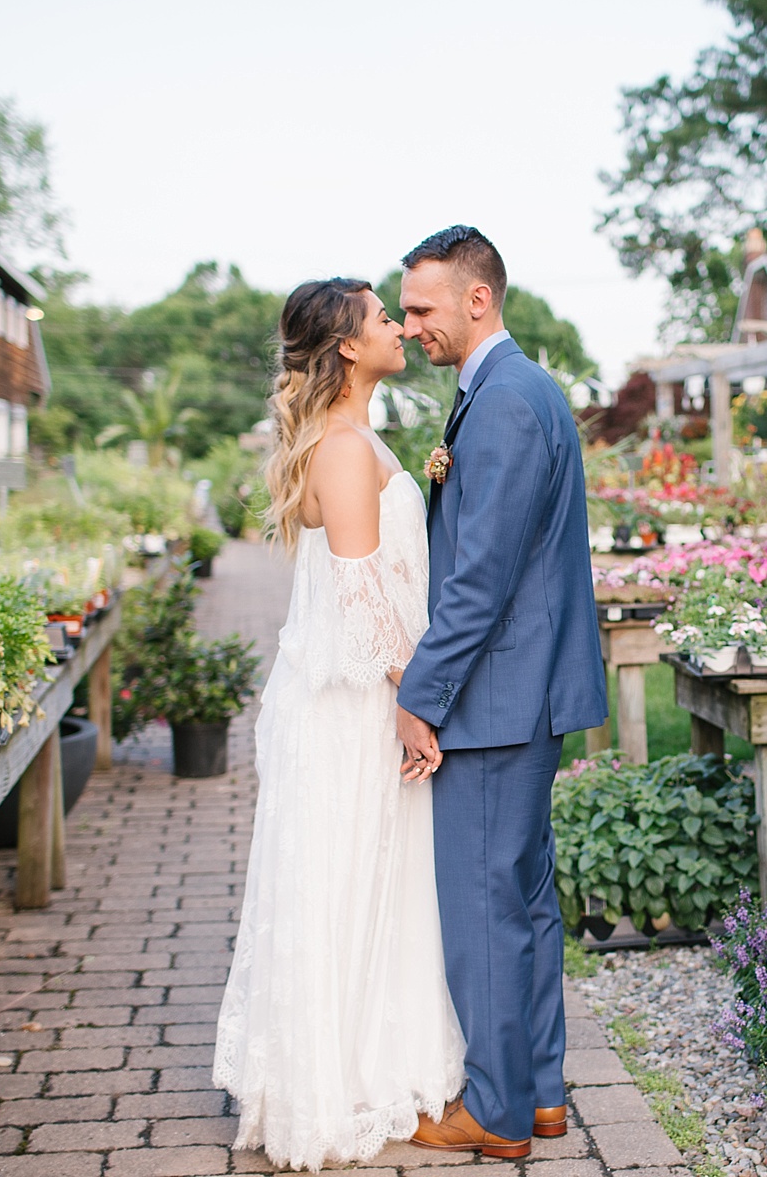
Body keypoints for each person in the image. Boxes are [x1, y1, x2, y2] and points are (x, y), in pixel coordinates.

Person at [213, 278, 465, 1170]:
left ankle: (355, 1063)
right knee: (353, 873)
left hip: (338, 691)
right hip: (358, 697)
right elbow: (365, 596)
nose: (400, 325)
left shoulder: (350, 438)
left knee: (353, 873)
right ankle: (343, 1083)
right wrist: (414, 704)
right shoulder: (347, 447)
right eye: (384, 315)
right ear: (351, 347)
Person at [394, 226, 608, 1158]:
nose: (410, 328)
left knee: (484, 905)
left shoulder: (509, 403)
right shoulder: (501, 392)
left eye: (422, 309)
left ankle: (495, 1112)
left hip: (496, 700)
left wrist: (423, 695)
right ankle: (542, 1091)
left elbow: (479, 578)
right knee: (521, 898)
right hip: (521, 693)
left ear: (478, 298)